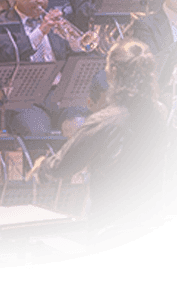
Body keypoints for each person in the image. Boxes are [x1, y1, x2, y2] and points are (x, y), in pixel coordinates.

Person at [26, 39, 167, 235]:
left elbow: (59, 168)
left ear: (113, 73)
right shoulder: (159, 113)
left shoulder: (104, 121)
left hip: (109, 229)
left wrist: (40, 167)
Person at [0, 0, 90, 138]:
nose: (41, 0)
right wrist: (41, 31)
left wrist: (76, 43)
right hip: (22, 97)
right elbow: (6, 56)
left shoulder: (56, 21)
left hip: (58, 94)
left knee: (81, 125)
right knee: (38, 133)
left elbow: (73, 58)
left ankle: (71, 157)